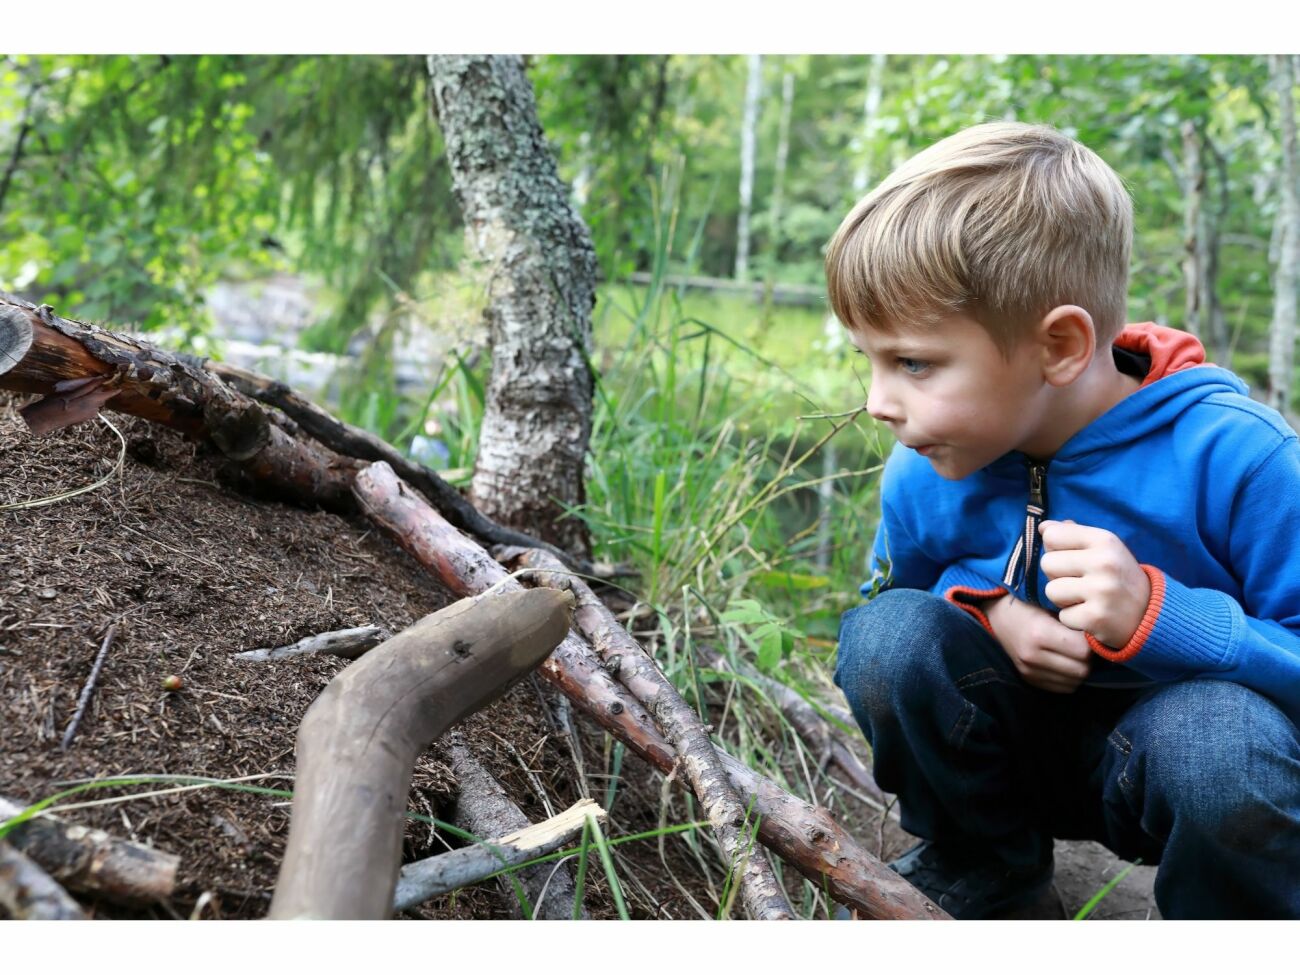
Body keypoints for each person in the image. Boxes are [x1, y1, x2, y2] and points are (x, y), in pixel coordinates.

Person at [825, 121, 1300, 919]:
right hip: (1014, 752)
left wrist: (1166, 617)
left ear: (1060, 346)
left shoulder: (1240, 459)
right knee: (889, 641)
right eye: (868, 360)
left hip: (1189, 766)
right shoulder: (926, 464)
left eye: (914, 363)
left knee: (1218, 740)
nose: (878, 402)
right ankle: (985, 869)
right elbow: (886, 610)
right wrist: (977, 604)